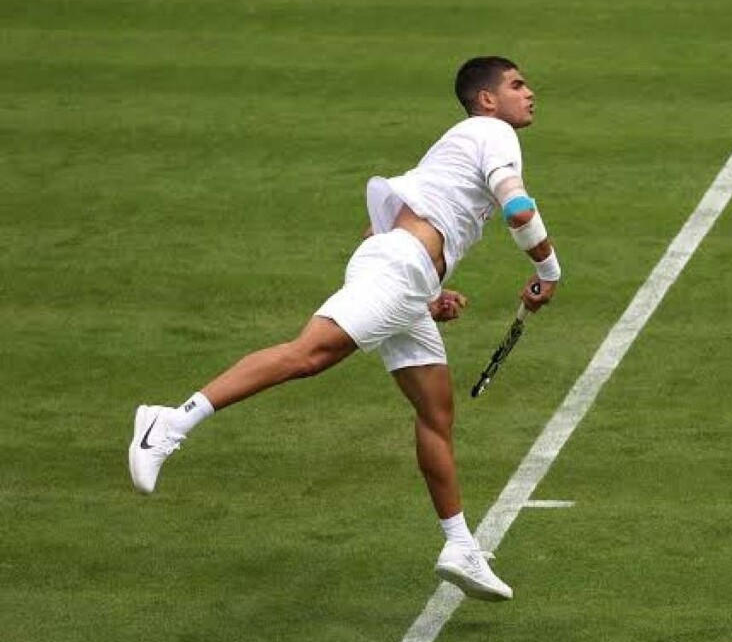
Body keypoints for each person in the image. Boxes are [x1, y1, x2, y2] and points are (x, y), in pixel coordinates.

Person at [128, 56, 561, 602]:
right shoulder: (492, 132)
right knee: (307, 356)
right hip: (399, 270)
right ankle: (168, 422)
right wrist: (548, 270)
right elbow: (518, 210)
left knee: (435, 410)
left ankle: (459, 545)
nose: (531, 93)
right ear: (487, 100)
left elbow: (380, 230)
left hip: (400, 270)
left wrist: (427, 294)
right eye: (518, 85)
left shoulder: (456, 145)